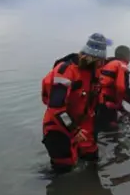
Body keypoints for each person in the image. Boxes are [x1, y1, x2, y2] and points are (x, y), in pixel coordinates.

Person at [41, 33, 110, 173]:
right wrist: (74, 130)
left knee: (92, 159)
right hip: (59, 126)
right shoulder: (64, 72)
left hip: (84, 124)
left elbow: (95, 99)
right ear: (90, 57)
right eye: (99, 61)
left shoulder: (94, 72)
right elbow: (56, 109)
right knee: (64, 170)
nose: (101, 65)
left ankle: (91, 191)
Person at [96, 45, 130, 131]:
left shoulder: (108, 63)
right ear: (128, 57)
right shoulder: (122, 66)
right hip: (107, 103)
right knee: (113, 129)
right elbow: (123, 89)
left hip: (97, 100)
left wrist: (121, 107)